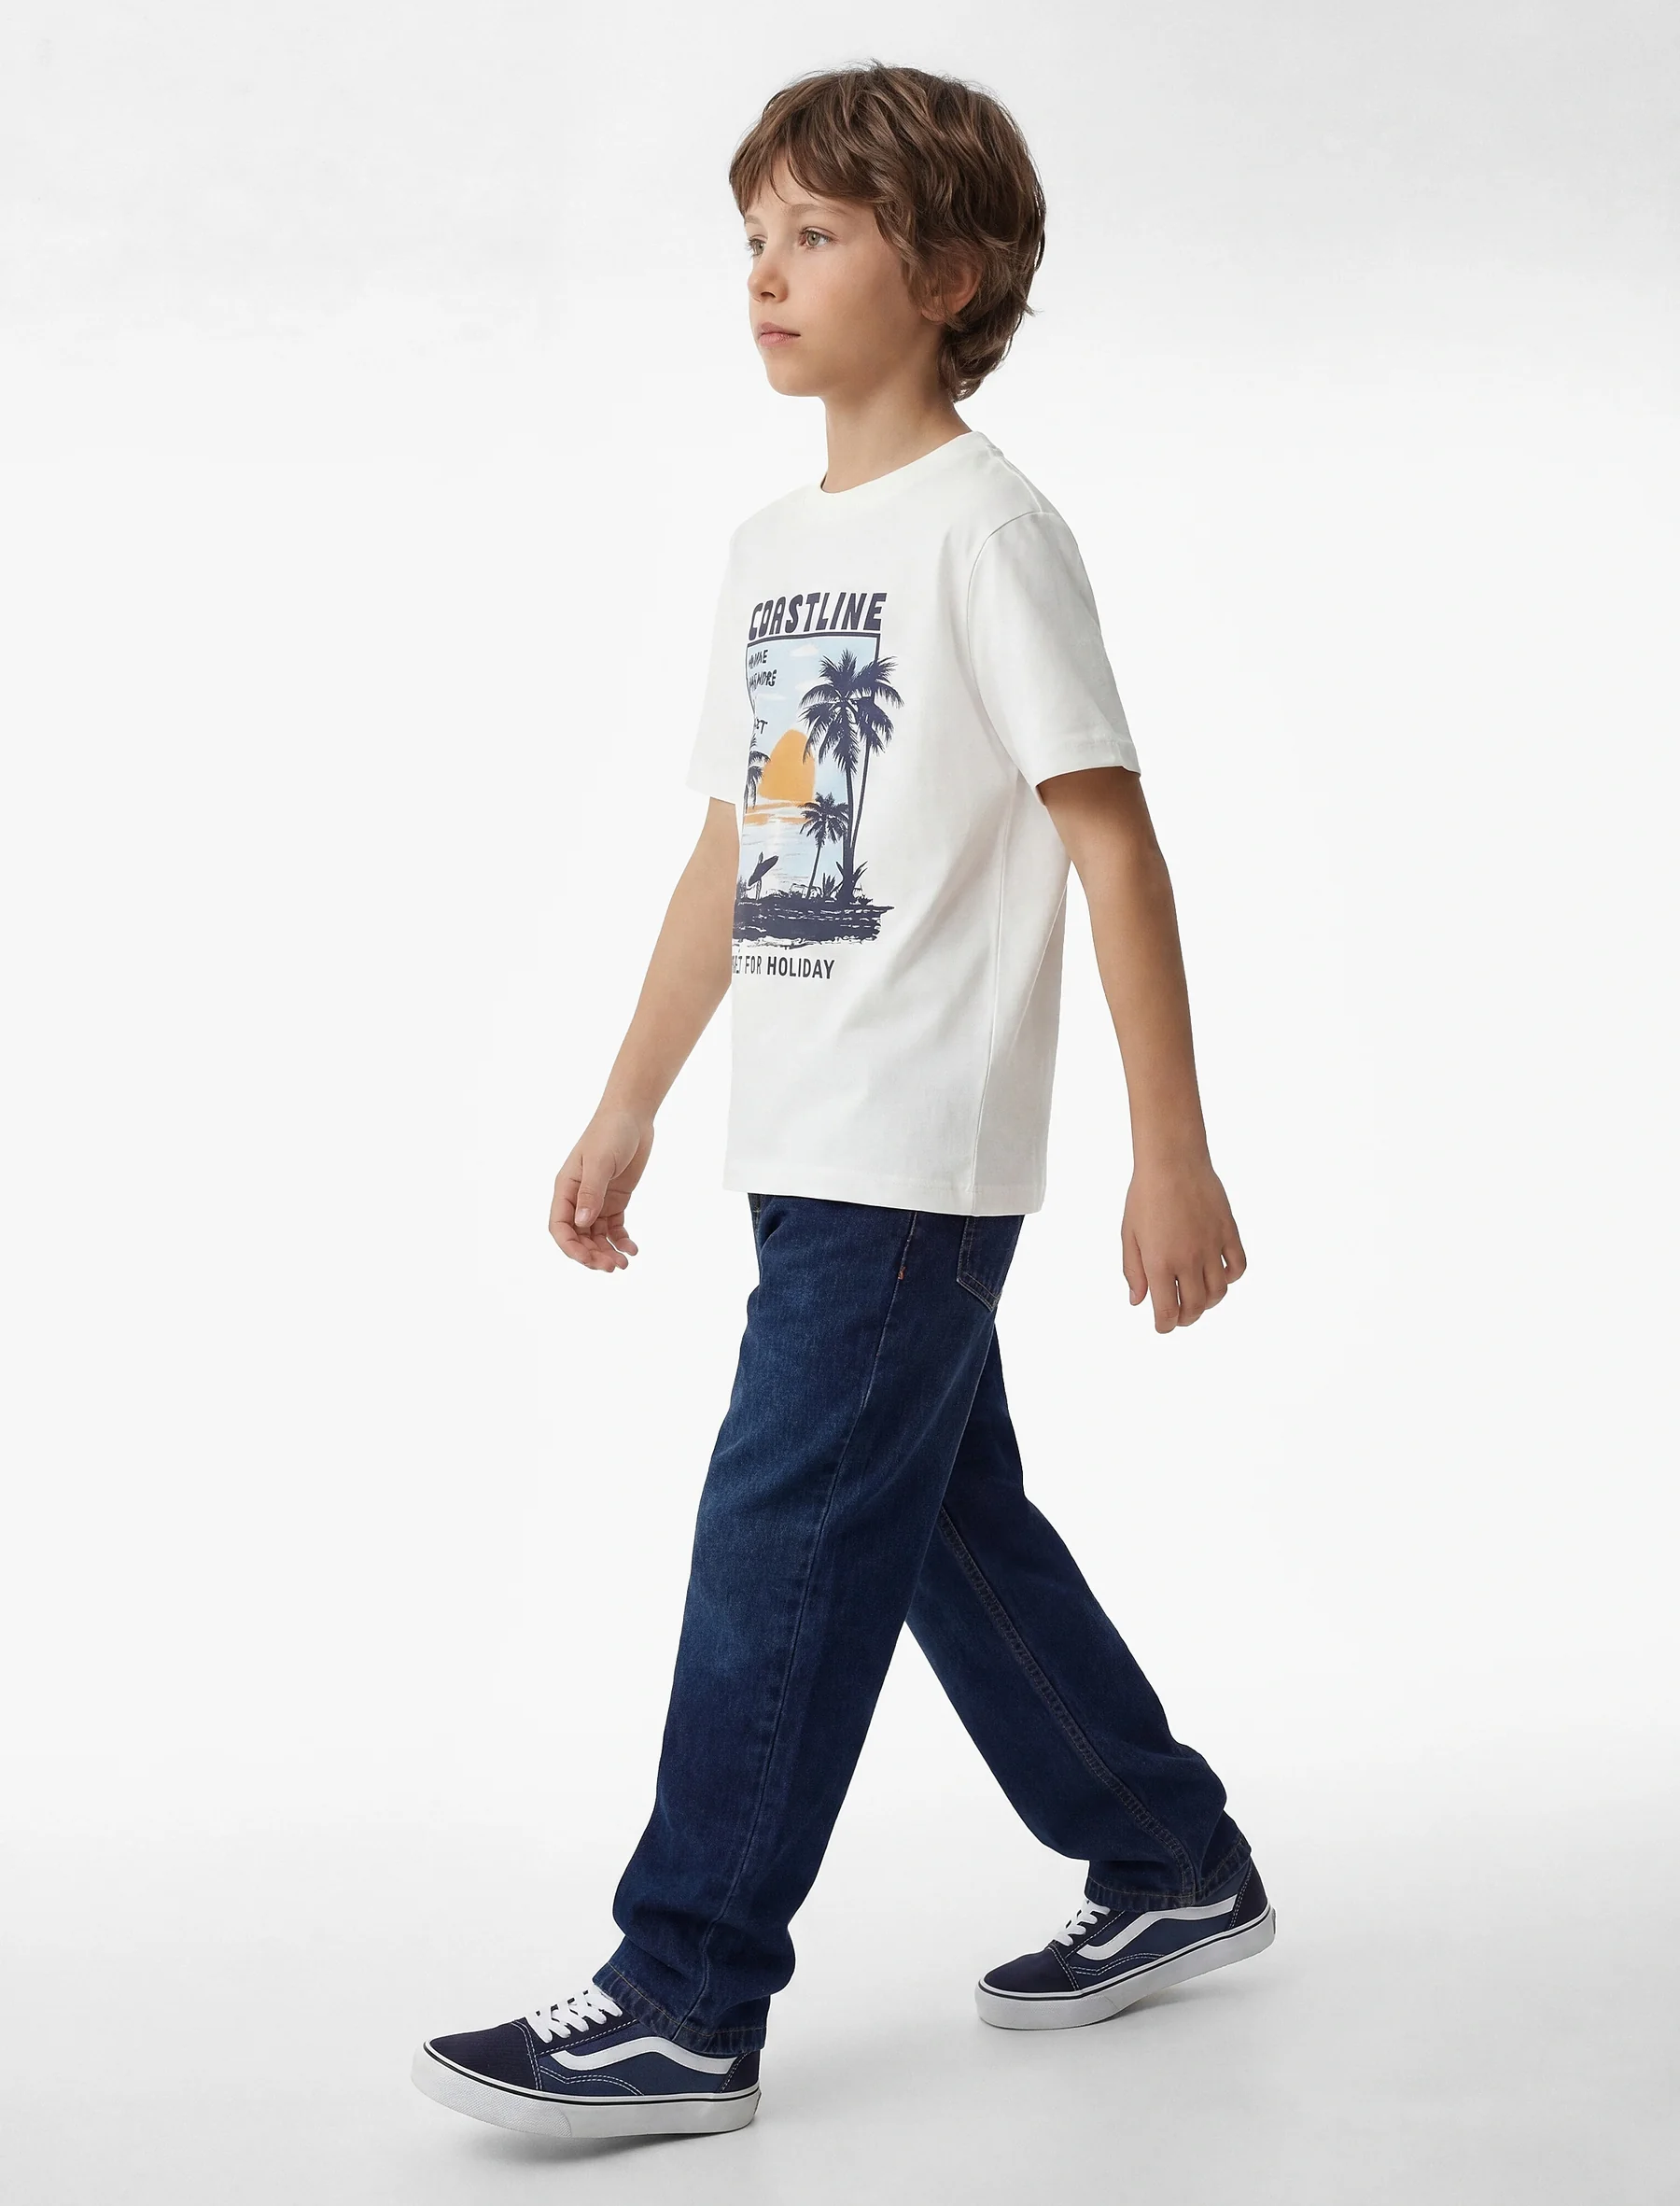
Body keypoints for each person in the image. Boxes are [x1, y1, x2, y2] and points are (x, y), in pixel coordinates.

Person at [412, 61, 1273, 2146]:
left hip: (915, 1142)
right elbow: (740, 845)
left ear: (948, 274)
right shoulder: (772, 549)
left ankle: (685, 1989)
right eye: (754, 238)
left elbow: (1115, 844)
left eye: (815, 234)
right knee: (944, 1526)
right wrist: (628, 1101)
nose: (766, 274)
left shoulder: (993, 532)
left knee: (782, 1528)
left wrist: (1171, 1147)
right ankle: (1171, 1853)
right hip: (797, 1136)